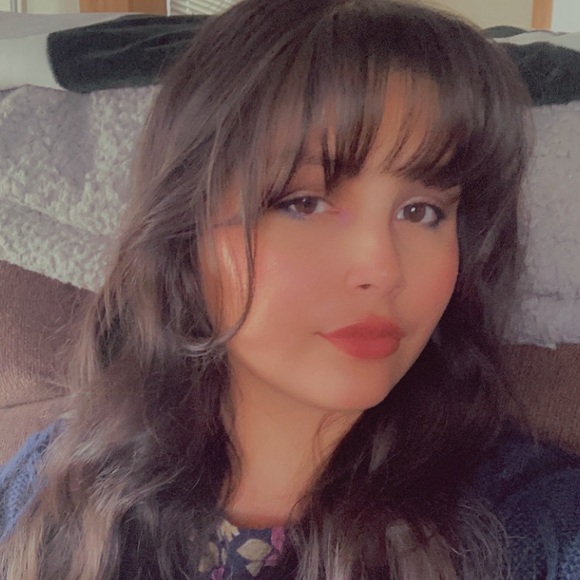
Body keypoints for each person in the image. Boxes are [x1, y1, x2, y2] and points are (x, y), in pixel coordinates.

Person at [1, 0, 579, 578]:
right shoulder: (51, 484)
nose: (382, 269)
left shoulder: (535, 521)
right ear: (186, 232)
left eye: (422, 211)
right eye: (304, 202)